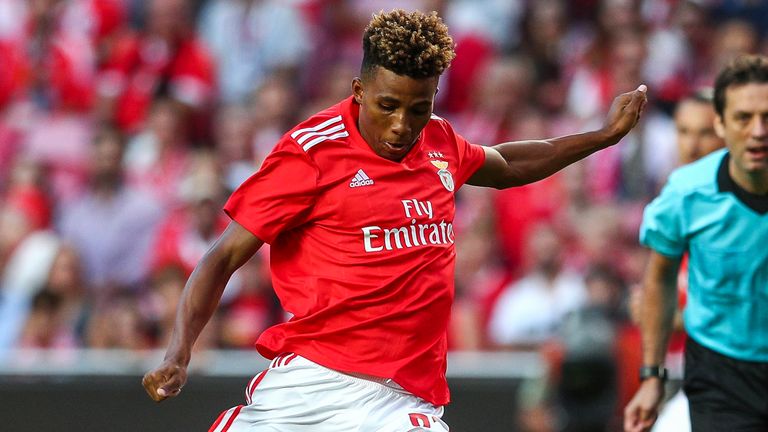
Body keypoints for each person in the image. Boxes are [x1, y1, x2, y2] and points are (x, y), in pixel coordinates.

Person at [142, 9, 647, 431]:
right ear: (359, 90)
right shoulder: (311, 152)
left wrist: (601, 137)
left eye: (418, 108)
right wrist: (179, 350)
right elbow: (224, 254)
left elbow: (509, 164)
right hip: (311, 384)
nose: (402, 124)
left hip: (403, 400)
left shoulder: (441, 142)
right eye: (387, 105)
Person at [624, 54, 768, 432]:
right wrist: (652, 376)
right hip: (721, 376)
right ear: (721, 122)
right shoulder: (686, 193)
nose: (757, 131)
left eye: (767, 117)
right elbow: (658, 278)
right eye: (743, 118)